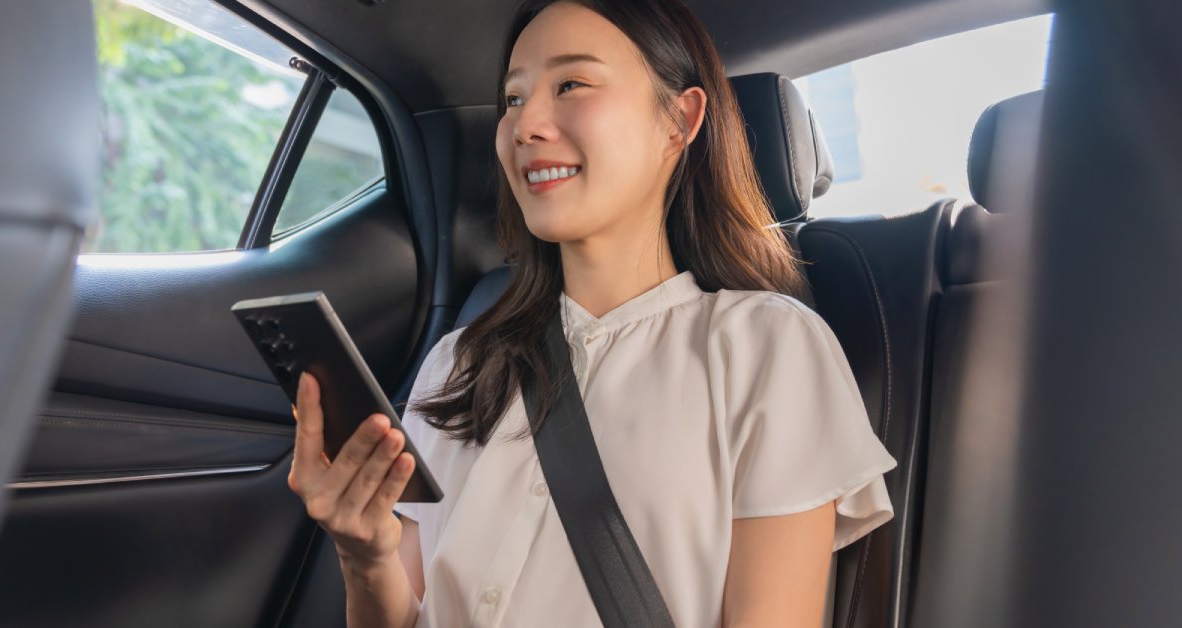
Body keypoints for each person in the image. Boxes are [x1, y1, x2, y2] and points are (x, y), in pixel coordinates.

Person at [286, 0, 898, 626]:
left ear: (678, 121)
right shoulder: (457, 363)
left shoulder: (765, 346)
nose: (525, 126)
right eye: (514, 99)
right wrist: (364, 555)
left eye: (571, 84)